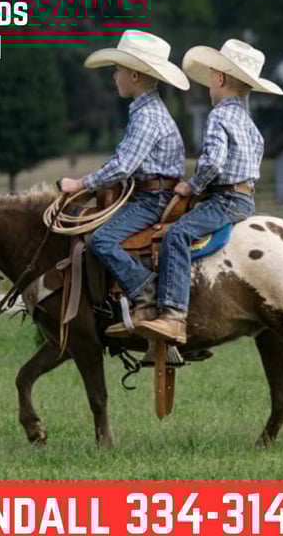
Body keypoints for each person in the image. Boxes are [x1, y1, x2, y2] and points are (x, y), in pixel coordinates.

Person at [136, 39, 283, 344]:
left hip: (224, 199)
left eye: (209, 80)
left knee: (177, 235)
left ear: (219, 79)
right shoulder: (249, 124)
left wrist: (192, 186)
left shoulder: (219, 116)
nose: (208, 87)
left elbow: (213, 162)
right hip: (245, 200)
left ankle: (173, 315)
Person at [58, 30, 189, 337]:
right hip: (150, 193)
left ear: (134, 75)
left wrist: (80, 184)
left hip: (152, 199)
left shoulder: (148, 116)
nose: (114, 76)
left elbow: (123, 167)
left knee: (101, 240)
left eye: (118, 70)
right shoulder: (145, 112)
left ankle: (144, 291)